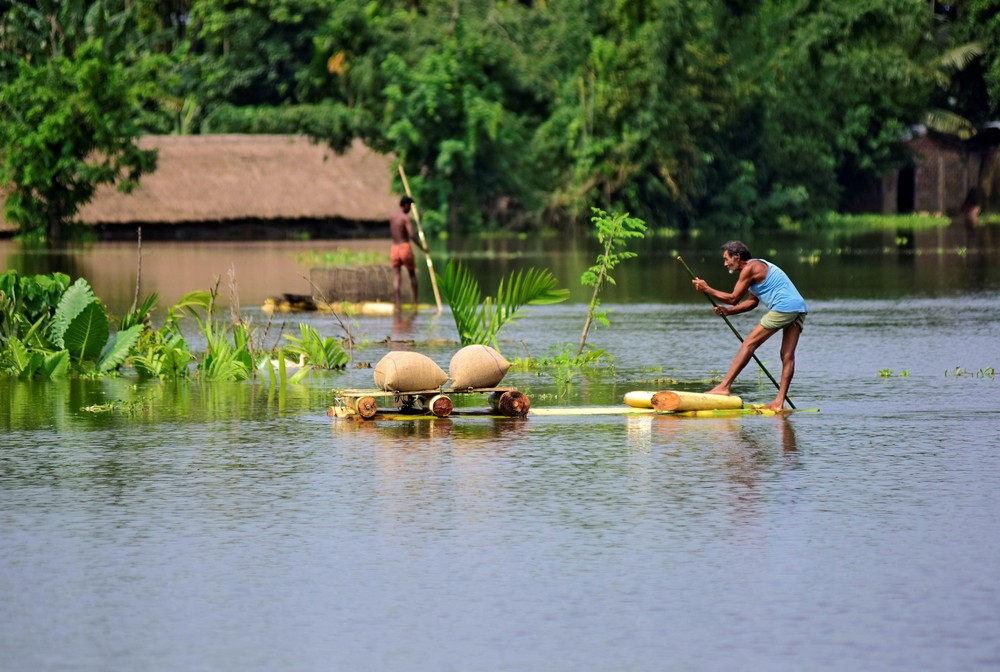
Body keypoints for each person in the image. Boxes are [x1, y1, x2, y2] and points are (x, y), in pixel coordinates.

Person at [691, 241, 808, 411]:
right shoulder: (756, 268)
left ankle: (724, 387)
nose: (725, 264)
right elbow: (752, 302)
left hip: (784, 308)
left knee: (748, 344)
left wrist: (707, 289)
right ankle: (779, 403)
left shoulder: (750, 268)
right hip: (799, 308)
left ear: (737, 257)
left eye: (726, 259)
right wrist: (730, 312)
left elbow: (733, 298)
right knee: (787, 355)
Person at [389, 196, 427, 308]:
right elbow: (411, 235)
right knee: (412, 274)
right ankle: (415, 302)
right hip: (404, 247)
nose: (410, 208)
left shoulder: (393, 217)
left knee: (396, 276)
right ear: (406, 205)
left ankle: (398, 303)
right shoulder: (406, 218)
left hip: (394, 248)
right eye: (410, 206)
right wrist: (422, 247)